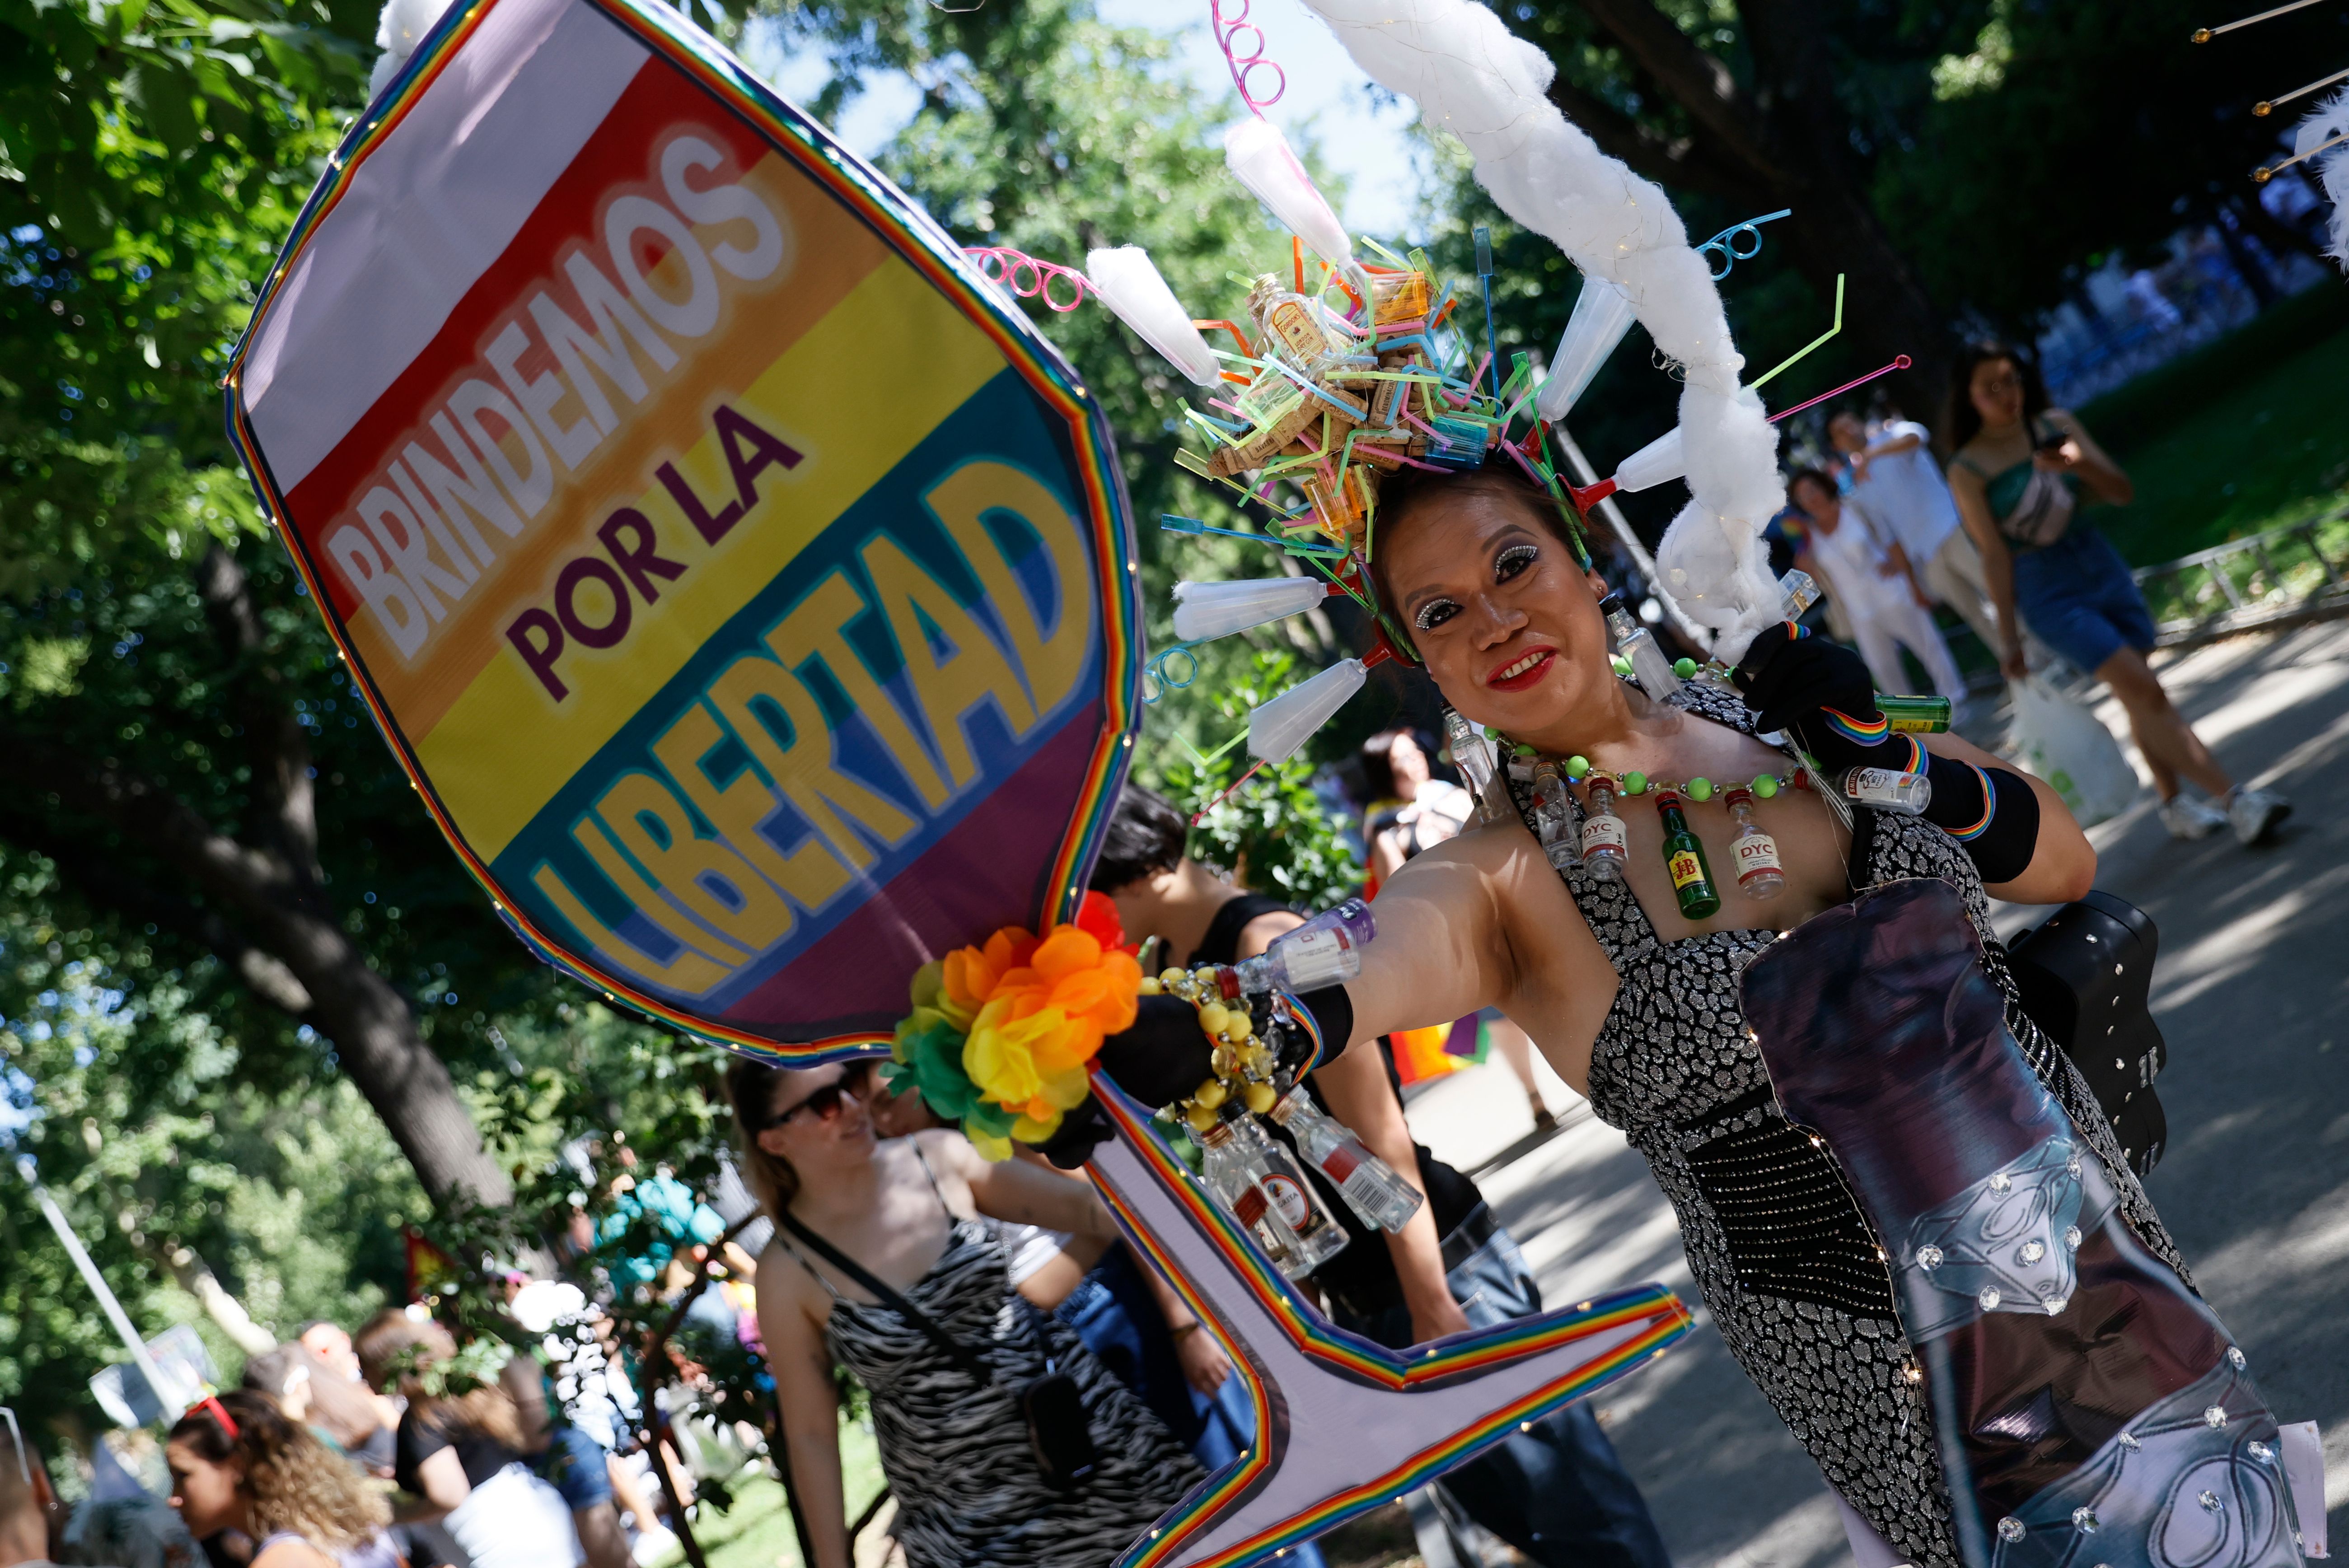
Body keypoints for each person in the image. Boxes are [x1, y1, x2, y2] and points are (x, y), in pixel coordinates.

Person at [1066, 458, 2290, 1568]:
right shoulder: (1504, 874)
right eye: (1441, 613)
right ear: (1419, 662)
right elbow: (1378, 958)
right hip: (1906, 1373)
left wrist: (1895, 759)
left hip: (2100, 1253)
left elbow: (2062, 864)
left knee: (2241, 1532)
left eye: (1511, 563)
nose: (1494, 621)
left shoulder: (1778, 717)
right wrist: (1239, 1023)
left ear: (1583, 559)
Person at [1090, 783, 1671, 1568]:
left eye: (1090, 895)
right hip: (1358, 1290)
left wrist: (1433, 1303)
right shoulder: (1167, 968)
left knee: (1575, 1509)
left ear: (1136, 871)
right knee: (1510, 1512)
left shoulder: (1269, 943)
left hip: (1436, 1269)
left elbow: (1382, 1133)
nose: (1089, 924)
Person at [731, 1058, 1203, 1568]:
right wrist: (832, 1560)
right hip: (972, 1524)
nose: (851, 1105)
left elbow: (1091, 1209)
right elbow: (810, 1434)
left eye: (846, 1086)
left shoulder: (937, 1157)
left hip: (1090, 1449)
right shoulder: (787, 1270)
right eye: (823, 1104)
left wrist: (1202, 1217)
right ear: (774, 1140)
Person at [1944, 341, 2289, 844]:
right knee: (2145, 691)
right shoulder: (1966, 467)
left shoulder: (2051, 423)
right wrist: (2008, 641)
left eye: (2011, 380)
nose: (2005, 395)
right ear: (1968, 397)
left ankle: (2174, 806)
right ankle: (2237, 800)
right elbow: (1993, 556)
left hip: (2096, 560)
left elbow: (2120, 491)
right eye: (1989, 387)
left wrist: (2077, 464)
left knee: (2139, 692)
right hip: (2045, 589)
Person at [1356, 731, 1556, 1129]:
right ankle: (1534, 1093)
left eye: (1415, 752)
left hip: (1511, 906)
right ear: (1386, 771)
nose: (1416, 761)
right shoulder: (1384, 828)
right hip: (1463, 933)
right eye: (1402, 759)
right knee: (1502, 1012)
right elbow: (1398, 894)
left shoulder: (1451, 792)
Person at [352, 1313, 585, 1568]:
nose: (362, 1375)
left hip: (500, 1544)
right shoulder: (463, 1391)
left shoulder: (421, 1420)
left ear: (386, 1362)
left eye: (365, 1364)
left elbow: (450, 1494)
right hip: (539, 1516)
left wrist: (392, 1516)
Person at [1828, 407, 2003, 661]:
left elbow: (1918, 436)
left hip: (1951, 528)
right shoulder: (1859, 484)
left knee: (1999, 591)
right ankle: (2019, 669)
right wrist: (1913, 584)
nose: (1849, 431)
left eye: (1850, 423)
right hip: (1926, 556)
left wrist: (1870, 454)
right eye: (1840, 431)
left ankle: (2047, 653)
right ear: (1836, 444)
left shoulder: (1892, 435)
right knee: (1975, 614)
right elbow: (1889, 535)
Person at [1786, 469, 1967, 707]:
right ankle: (1912, 726)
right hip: (1859, 611)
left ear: (1824, 486)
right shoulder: (1809, 535)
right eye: (1802, 496)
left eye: (1812, 490)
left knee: (1929, 648)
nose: (1809, 498)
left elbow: (1891, 540)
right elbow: (1817, 581)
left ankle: (1955, 702)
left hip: (1893, 592)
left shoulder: (1855, 508)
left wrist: (1911, 582)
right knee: (1883, 670)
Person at [164, 1393, 399, 1568]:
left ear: (237, 1466)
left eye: (184, 1475)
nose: (173, 1499)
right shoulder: (342, 1524)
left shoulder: (284, 1560)